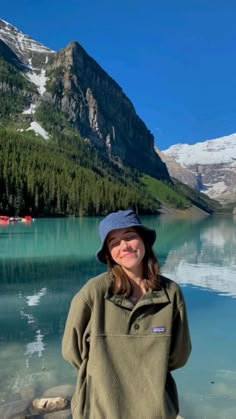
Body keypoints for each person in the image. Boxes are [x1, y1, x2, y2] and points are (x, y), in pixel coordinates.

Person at [62, 209, 191, 419]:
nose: (124, 246)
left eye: (130, 236)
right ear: (108, 254)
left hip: (155, 411)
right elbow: (71, 350)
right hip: (100, 411)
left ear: (144, 241)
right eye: (114, 242)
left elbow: (179, 355)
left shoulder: (171, 293)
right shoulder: (93, 292)